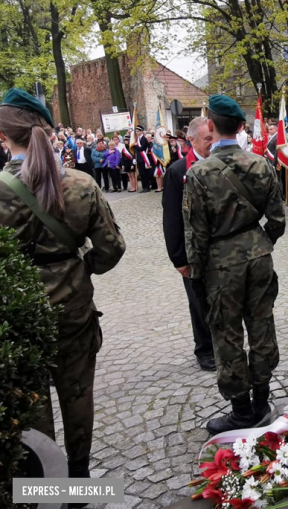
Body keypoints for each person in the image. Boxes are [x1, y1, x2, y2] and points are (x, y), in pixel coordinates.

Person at [0, 88, 125, 488]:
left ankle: (43, 484)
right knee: (77, 395)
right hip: (73, 309)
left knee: (30, 403)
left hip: (18, 316)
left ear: (4, 136)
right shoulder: (82, 184)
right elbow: (111, 249)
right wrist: (80, 268)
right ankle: (81, 479)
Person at [183, 94, 286, 434]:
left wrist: (196, 275)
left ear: (210, 126)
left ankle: (242, 411)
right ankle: (262, 398)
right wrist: (258, 244)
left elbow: (195, 233)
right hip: (258, 258)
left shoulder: (199, 173)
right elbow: (277, 221)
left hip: (220, 264)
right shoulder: (261, 164)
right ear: (242, 127)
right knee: (261, 326)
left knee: (226, 335)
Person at [162, 117, 216, 372]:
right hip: (194, 251)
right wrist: (178, 258)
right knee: (199, 301)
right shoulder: (178, 171)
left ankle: (225, 344)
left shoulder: (221, 165)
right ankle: (204, 349)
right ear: (191, 140)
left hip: (223, 248)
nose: (212, 143)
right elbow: (171, 217)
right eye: (207, 139)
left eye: (214, 137)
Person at [135, 126, 153, 192]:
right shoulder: (137, 139)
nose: (137, 132)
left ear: (141, 131)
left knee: (145, 174)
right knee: (141, 174)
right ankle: (144, 187)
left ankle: (147, 187)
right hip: (139, 158)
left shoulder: (144, 139)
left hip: (143, 158)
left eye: (138, 131)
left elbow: (141, 148)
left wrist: (135, 146)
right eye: (136, 131)